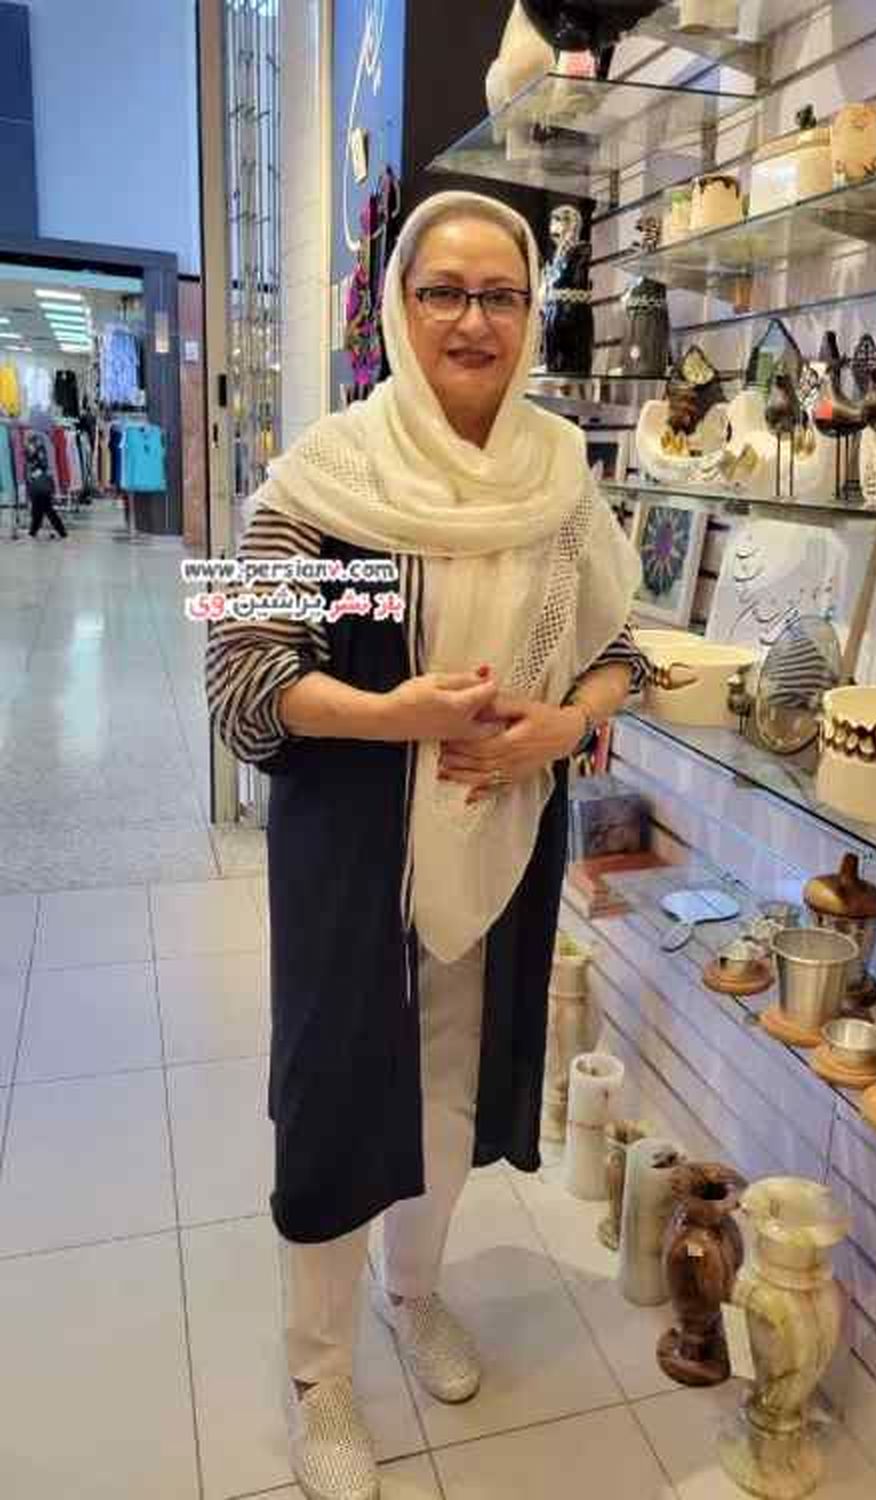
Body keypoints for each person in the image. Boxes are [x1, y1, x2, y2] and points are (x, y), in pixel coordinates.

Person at [206, 191, 645, 1500]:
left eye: (500, 294)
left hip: (502, 837)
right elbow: (244, 678)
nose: (472, 320)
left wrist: (563, 724)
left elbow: (625, 649)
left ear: (531, 313)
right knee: (338, 1097)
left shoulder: (558, 478)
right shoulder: (330, 479)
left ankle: (414, 1293)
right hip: (353, 854)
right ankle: (321, 1378)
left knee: (450, 1082)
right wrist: (397, 715)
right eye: (443, 291)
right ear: (399, 308)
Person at [25, 434, 67, 539]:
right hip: (39, 484)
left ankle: (61, 532)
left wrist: (33, 475)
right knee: (39, 510)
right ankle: (33, 532)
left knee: (46, 510)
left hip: (40, 484)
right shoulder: (36, 449)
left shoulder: (38, 451)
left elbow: (41, 465)